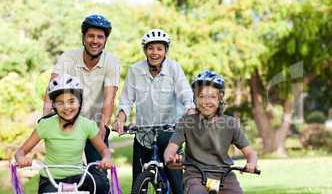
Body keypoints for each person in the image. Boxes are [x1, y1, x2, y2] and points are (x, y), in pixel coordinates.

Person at [113, 29, 195, 193]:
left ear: (166, 50)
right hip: (143, 133)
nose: (155, 52)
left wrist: (190, 111)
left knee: (176, 183)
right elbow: (127, 100)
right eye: (151, 48)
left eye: (159, 48)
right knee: (138, 182)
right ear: (145, 50)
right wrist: (120, 119)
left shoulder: (174, 68)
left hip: (170, 132)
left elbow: (185, 93)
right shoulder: (135, 70)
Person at [42, 14, 120, 165]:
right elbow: (51, 89)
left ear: (105, 41)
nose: (95, 41)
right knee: (65, 174)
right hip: (67, 121)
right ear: (83, 37)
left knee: (99, 177)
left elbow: (109, 98)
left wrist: (103, 127)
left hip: (94, 124)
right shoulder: (68, 57)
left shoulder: (111, 62)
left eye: (100, 37)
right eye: (91, 36)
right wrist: (44, 118)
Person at [164, 70, 258, 194]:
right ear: (195, 99)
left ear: (220, 99)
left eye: (212, 97)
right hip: (195, 176)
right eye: (201, 96)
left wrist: (252, 163)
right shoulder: (186, 122)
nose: (206, 102)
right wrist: (170, 159)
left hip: (225, 176)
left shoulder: (230, 123)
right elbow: (170, 150)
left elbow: (250, 152)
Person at [16, 74, 113, 194]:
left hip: (78, 176)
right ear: (54, 105)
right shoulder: (46, 125)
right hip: (51, 178)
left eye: (71, 101)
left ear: (79, 102)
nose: (66, 107)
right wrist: (21, 158)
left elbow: (104, 149)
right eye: (60, 103)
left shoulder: (87, 125)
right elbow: (21, 151)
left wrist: (106, 158)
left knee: (102, 186)